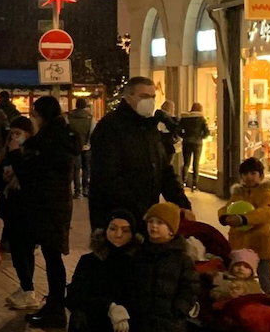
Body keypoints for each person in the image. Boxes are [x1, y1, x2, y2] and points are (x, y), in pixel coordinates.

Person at [63, 209, 150, 332]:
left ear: (132, 234)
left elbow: (142, 301)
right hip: (95, 331)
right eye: (113, 228)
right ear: (104, 231)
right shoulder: (89, 261)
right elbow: (74, 297)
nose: (118, 235)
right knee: (77, 320)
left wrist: (125, 314)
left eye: (125, 231)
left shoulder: (138, 265)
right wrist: (109, 307)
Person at [87, 77, 190, 231]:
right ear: (128, 98)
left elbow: (163, 169)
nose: (150, 101)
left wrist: (182, 204)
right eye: (144, 96)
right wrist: (139, 209)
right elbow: (108, 177)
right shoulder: (110, 127)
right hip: (118, 219)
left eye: (153, 96)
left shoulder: (149, 127)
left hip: (146, 216)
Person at [128, 202, 198, 332]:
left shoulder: (181, 259)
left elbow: (190, 287)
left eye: (160, 223)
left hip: (171, 319)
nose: (154, 226)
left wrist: (179, 309)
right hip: (150, 317)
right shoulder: (143, 255)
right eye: (151, 221)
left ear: (172, 229)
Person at [18, 96, 81, 330]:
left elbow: (35, 170)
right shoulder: (61, 134)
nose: (33, 117)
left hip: (50, 204)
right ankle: (54, 305)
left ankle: (56, 309)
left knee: (52, 257)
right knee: (51, 256)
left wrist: (18, 155)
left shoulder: (51, 138)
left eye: (35, 113)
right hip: (56, 202)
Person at [0, 116, 35, 308]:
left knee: (25, 250)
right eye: (12, 134)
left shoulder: (31, 154)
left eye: (18, 133)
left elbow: (28, 177)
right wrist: (3, 178)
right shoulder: (8, 154)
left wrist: (16, 154)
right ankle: (25, 286)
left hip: (26, 209)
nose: (14, 138)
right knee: (18, 250)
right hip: (11, 209)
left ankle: (28, 289)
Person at [219, 157, 270, 294]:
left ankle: (268, 298)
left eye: (253, 173)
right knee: (238, 274)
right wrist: (224, 217)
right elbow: (226, 208)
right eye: (245, 174)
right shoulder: (238, 194)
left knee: (264, 277)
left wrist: (244, 219)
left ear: (261, 176)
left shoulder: (265, 194)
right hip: (239, 243)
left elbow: (265, 212)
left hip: (259, 243)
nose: (249, 177)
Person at [66, 98, 93, 199]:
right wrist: (88, 143)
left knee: (76, 169)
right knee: (86, 167)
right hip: (86, 146)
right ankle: (85, 189)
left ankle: (77, 191)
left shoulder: (69, 116)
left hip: (74, 146)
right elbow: (92, 131)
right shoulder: (89, 117)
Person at [178, 103, 209, 191]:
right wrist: (200, 137)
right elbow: (207, 132)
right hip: (197, 143)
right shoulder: (201, 119)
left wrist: (184, 136)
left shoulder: (185, 118)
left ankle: (183, 182)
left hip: (187, 142)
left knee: (186, 162)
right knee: (196, 163)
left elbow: (178, 130)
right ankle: (194, 185)